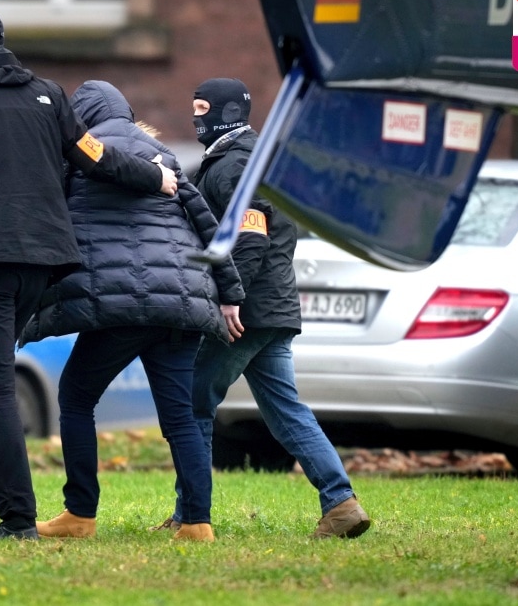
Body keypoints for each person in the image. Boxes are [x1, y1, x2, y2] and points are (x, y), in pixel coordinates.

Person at [0, 9, 179, 541]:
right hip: (42, 262)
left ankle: (17, 517)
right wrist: (156, 176)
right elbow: (94, 157)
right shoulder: (49, 94)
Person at [23, 80, 245, 542]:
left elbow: (49, 222)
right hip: (182, 301)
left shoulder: (81, 155)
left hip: (120, 303)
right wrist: (230, 295)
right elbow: (209, 229)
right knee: (180, 415)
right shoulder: (164, 156)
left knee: (77, 398)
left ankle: (80, 514)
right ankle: (198, 523)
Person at [157, 78, 371, 539]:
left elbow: (251, 237)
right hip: (272, 310)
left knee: (192, 401)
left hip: (247, 311)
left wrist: (232, 299)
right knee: (285, 408)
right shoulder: (254, 160)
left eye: (202, 108)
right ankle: (341, 503)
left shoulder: (236, 164)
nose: (195, 117)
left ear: (227, 111)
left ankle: (190, 516)